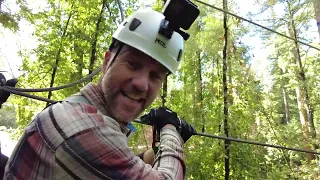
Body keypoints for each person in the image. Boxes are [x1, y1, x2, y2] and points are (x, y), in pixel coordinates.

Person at [3, 8, 196, 180]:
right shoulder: (83, 129)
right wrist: (171, 130)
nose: (142, 85)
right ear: (106, 62)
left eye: (155, 76)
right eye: (132, 64)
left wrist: (149, 154)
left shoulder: (82, 112)